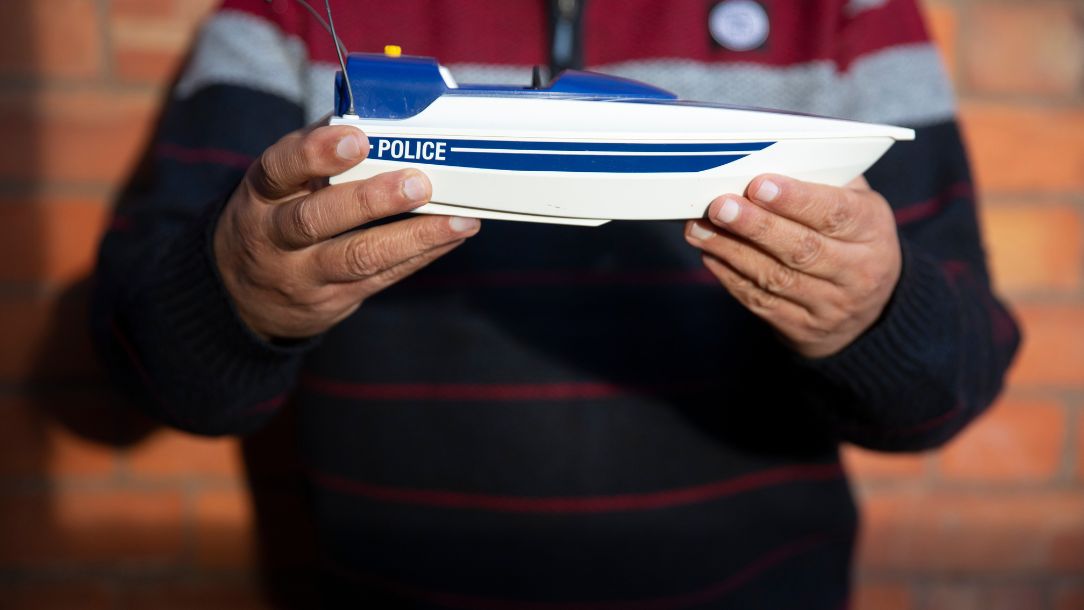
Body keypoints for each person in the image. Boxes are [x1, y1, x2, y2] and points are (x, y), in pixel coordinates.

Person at [92, 0, 1020, 607]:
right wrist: (237, 290)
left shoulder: (844, 12)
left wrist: (875, 316)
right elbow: (139, 359)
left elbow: (958, 372)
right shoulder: (289, 13)